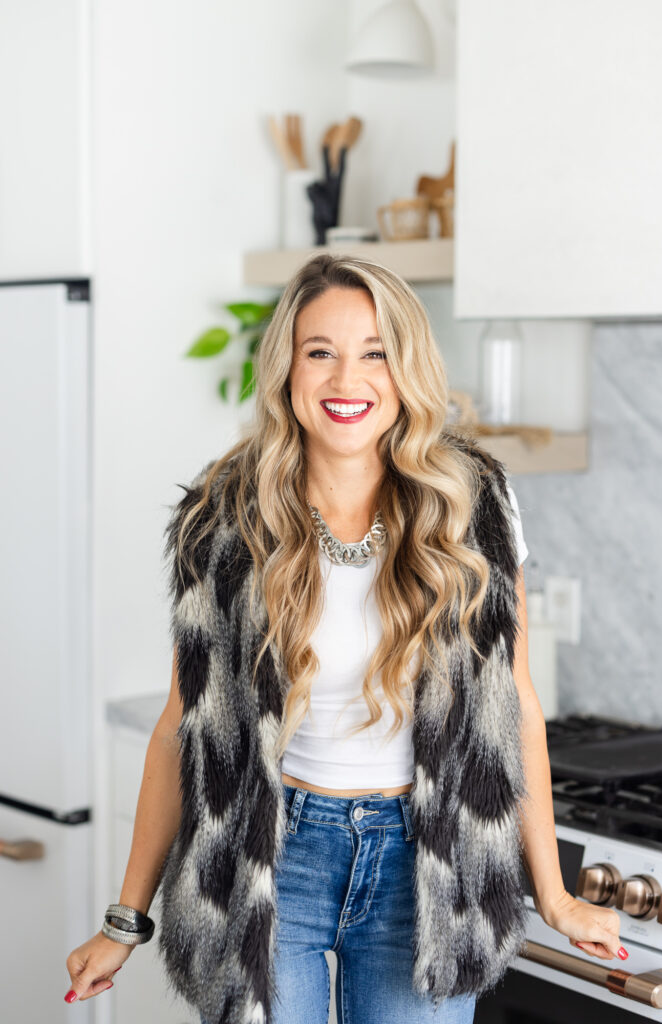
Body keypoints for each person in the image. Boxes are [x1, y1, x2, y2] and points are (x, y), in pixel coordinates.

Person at [65, 254, 627, 1023]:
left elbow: (515, 706)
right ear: (287, 370)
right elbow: (180, 727)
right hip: (271, 857)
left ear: (406, 372)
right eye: (319, 352)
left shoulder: (473, 505)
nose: (345, 379)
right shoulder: (224, 516)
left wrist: (554, 896)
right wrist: (124, 921)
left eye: (375, 353)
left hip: (426, 864)